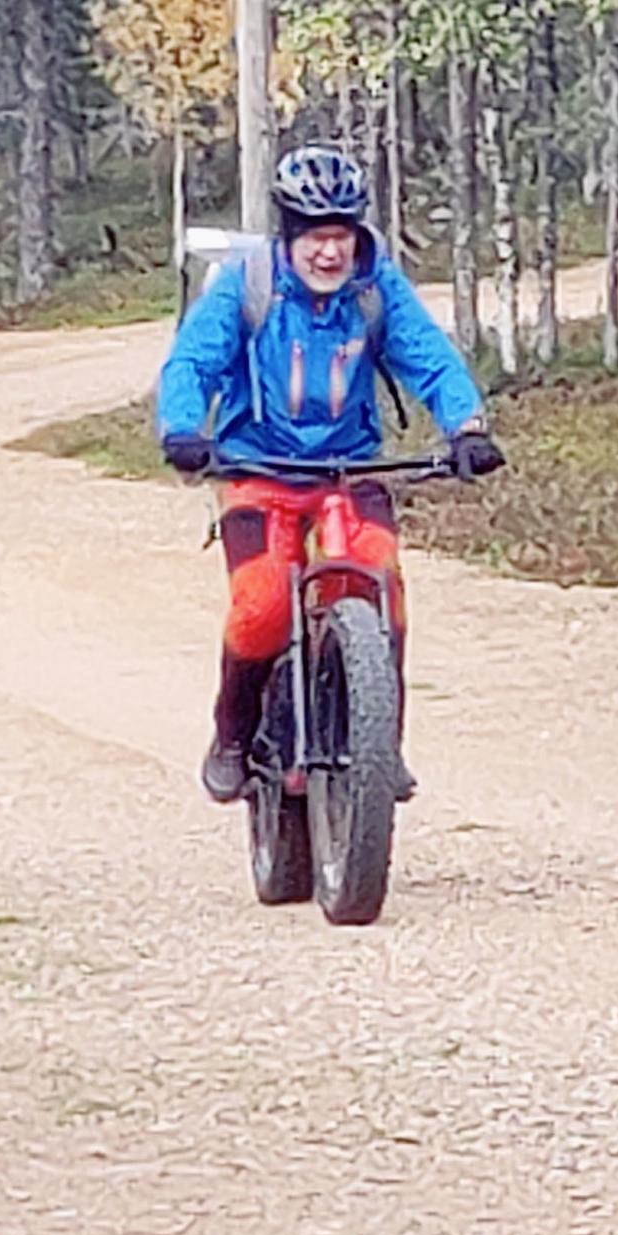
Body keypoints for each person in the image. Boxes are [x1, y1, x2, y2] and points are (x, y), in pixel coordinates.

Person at [155, 144, 505, 802]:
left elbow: (428, 357)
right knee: (260, 604)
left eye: (340, 234)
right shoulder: (248, 284)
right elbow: (192, 363)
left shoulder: (375, 288)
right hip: (257, 466)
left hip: (350, 471)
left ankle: (380, 743)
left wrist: (467, 427)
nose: (329, 252)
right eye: (316, 235)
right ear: (291, 235)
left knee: (381, 586)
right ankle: (233, 732)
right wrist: (182, 429)